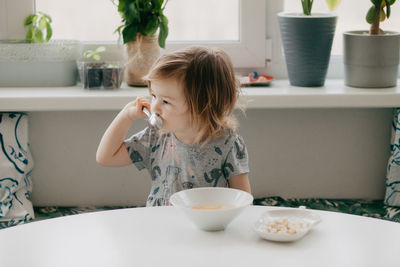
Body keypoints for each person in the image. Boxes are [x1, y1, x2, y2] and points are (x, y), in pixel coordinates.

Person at [96, 46, 251, 206]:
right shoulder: (155, 137)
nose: (154, 107)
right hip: (161, 226)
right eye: (154, 96)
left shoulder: (228, 144)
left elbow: (243, 202)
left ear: (202, 106)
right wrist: (126, 116)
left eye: (166, 101)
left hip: (207, 228)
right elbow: (105, 157)